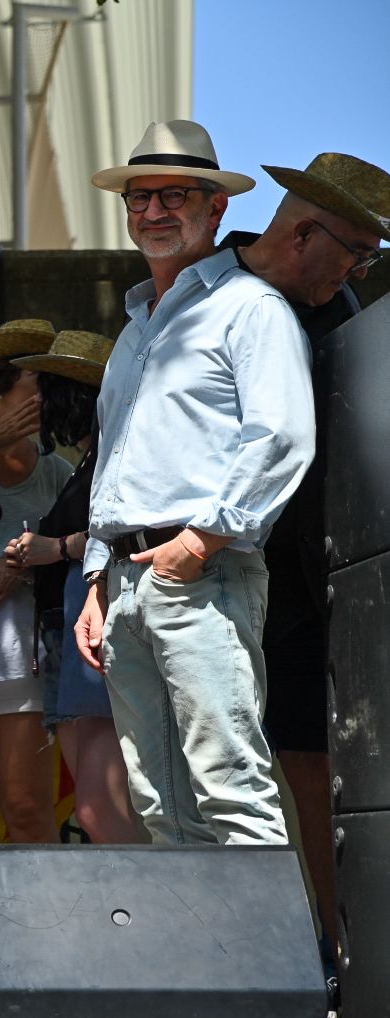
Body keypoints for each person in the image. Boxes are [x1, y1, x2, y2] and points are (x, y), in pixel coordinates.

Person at [75, 120, 314, 846]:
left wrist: (202, 539)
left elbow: (280, 437)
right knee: (160, 807)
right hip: (125, 580)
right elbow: (114, 460)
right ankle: (201, 964)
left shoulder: (250, 307)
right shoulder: (134, 327)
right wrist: (94, 575)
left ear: (214, 209)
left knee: (230, 787)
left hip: (199, 571)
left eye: (172, 195)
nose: (152, 211)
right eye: (138, 197)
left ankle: (267, 966)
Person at [224, 152, 390, 952]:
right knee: (268, 772)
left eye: (370, 257)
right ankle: (309, 947)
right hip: (234, 575)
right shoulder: (208, 294)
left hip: (334, 580)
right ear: (301, 231)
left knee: (330, 769)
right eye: (355, 251)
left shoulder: (342, 310)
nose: (360, 269)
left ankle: (344, 948)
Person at [2, 331, 142, 844]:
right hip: (68, 639)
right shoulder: (88, 459)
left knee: (99, 809)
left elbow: (128, 531)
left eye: (48, 391)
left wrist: (55, 549)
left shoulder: (114, 453)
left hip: (96, 636)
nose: (38, 406)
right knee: (95, 809)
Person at [0, 320, 72, 843]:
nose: (46, 396)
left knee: (26, 804)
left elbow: (87, 551)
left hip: (20, 653)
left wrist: (20, 567)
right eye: (37, 382)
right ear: (0, 387)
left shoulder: (58, 473)